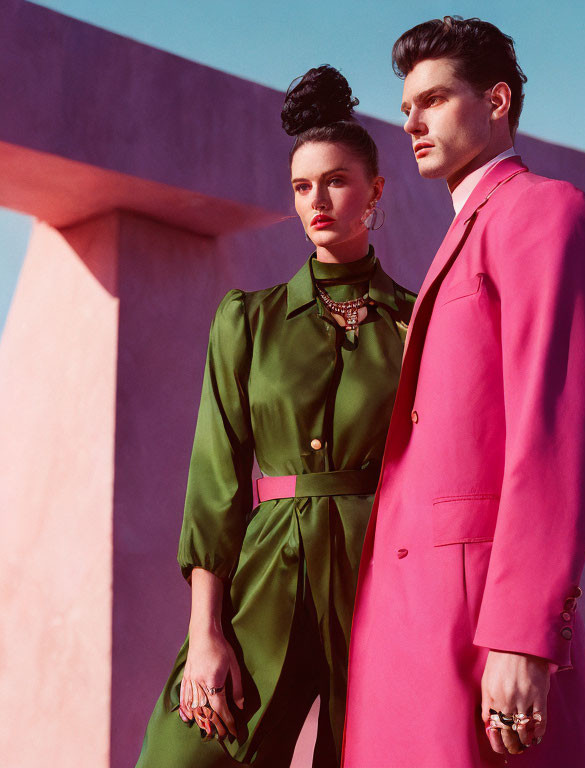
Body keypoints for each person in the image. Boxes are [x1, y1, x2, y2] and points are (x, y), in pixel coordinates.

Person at [342, 17, 585, 768]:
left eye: (433, 100)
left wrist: (523, 635)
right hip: (411, 620)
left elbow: (554, 432)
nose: (413, 122)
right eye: (406, 110)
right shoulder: (460, 236)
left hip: (478, 623)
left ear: (496, 101)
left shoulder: (543, 212)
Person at [135, 65, 416, 768]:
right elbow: (214, 480)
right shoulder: (248, 320)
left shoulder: (421, 322)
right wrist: (206, 632)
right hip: (269, 570)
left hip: (383, 578)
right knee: (187, 751)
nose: (318, 199)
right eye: (301, 186)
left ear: (376, 190)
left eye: (337, 180)